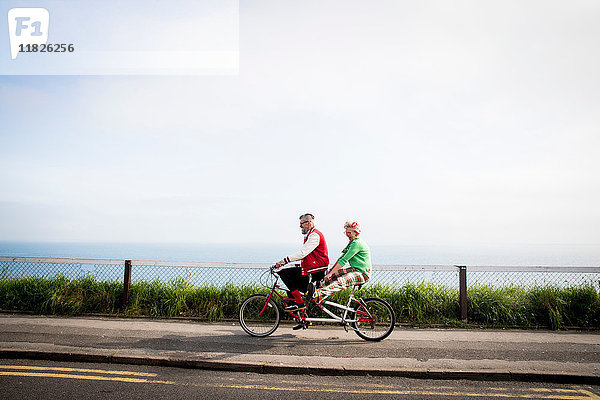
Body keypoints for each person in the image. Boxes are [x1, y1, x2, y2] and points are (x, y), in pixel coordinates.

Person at [275, 213, 329, 312]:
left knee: (284, 273)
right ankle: (302, 316)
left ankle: (300, 303)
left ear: (309, 223)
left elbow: (302, 253)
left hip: (315, 271)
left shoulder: (314, 236)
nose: (300, 226)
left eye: (302, 223)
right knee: (291, 290)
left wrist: (284, 261)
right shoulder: (310, 235)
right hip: (312, 269)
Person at [306, 221, 371, 302]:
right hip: (355, 269)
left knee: (342, 281)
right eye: (346, 232)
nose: (347, 235)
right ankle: (318, 294)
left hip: (363, 273)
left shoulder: (357, 243)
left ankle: (317, 294)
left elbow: (343, 261)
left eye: (349, 233)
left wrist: (330, 274)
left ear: (356, 233)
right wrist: (330, 273)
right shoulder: (352, 243)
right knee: (334, 275)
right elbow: (340, 259)